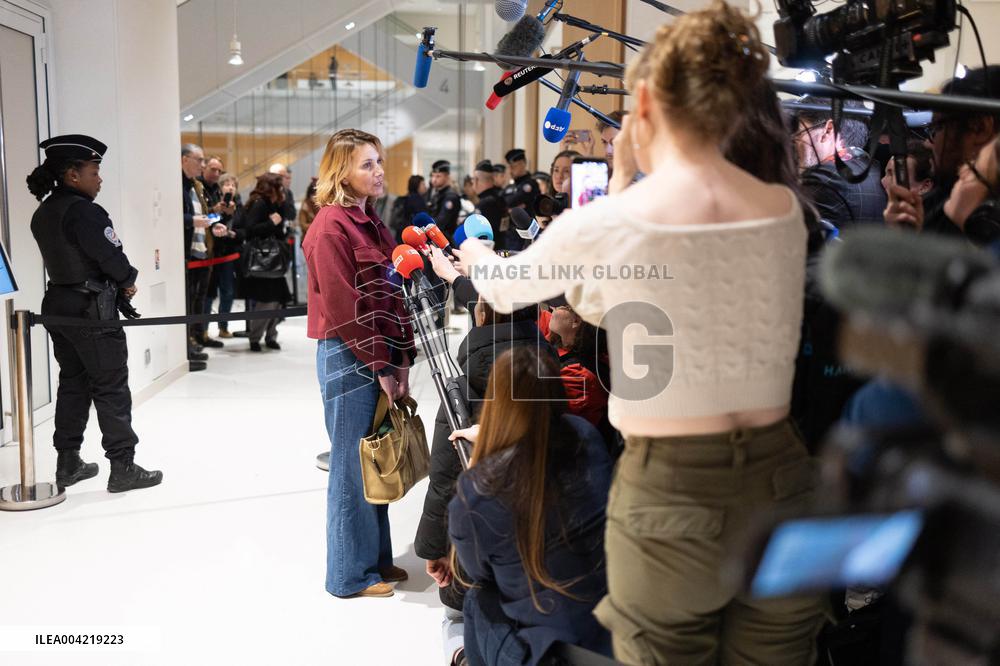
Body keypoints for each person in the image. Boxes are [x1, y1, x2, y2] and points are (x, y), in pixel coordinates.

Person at [458, 2, 824, 662]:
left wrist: (481, 255)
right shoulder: (783, 208)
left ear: (648, 100)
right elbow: (636, 302)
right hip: (784, 482)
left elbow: (504, 286)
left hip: (673, 496)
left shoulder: (613, 222)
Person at [448, 346, 614, 665]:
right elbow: (538, 447)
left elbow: (476, 571)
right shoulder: (587, 438)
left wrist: (483, 464)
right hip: (606, 629)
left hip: (546, 649)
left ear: (496, 404)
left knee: (478, 599)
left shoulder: (479, 491)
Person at [303, 128, 414, 599]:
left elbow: (392, 292)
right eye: (366, 164)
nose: (378, 172)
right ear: (340, 171)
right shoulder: (330, 227)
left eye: (379, 162)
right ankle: (348, 575)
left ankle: (375, 561)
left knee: (376, 462)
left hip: (376, 355)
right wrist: (383, 367)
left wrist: (402, 358)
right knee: (352, 466)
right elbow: (348, 310)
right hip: (351, 357)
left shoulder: (371, 223)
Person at [416, 298, 554, 666]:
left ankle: (462, 651)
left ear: (480, 315)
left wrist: (433, 548)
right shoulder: (550, 370)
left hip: (477, 550)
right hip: (546, 552)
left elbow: (444, 479)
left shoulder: (460, 387)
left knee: (460, 612)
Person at [27, 134, 162, 493]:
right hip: (91, 309)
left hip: (58, 304)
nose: (99, 178)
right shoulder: (84, 211)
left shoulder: (44, 211)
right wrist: (128, 279)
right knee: (111, 386)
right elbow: (110, 257)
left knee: (73, 382)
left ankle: (68, 462)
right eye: (94, 170)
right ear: (73, 175)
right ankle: (123, 467)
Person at [885, 65, 1000, 237]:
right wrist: (906, 239)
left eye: (937, 128)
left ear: (979, 127)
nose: (930, 144)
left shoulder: (962, 212)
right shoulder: (938, 203)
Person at [794, 98, 887, 228]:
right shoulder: (874, 171)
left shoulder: (821, 179)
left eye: (798, 131)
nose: (792, 140)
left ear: (828, 130)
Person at [236, 173, 291, 351]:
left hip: (273, 262)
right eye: (279, 187)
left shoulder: (275, 204)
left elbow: (281, 227)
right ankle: (256, 337)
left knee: (278, 300)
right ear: (271, 187)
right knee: (266, 302)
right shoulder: (259, 203)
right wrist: (271, 223)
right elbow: (250, 230)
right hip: (263, 261)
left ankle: (270, 336)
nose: (282, 190)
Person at [181, 143, 217, 371]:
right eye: (199, 160)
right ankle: (186, 348)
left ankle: (193, 343)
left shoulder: (196, 186)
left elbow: (203, 213)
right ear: (185, 159)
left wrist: (216, 224)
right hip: (186, 253)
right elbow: (173, 214)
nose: (202, 165)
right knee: (187, 302)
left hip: (201, 251)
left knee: (197, 300)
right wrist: (191, 221)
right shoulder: (178, 185)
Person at [205, 172, 242, 339]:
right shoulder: (214, 203)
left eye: (233, 185)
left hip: (229, 255)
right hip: (212, 254)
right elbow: (208, 220)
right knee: (209, 293)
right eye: (227, 184)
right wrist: (219, 212)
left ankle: (223, 327)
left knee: (227, 292)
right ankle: (203, 330)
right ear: (221, 188)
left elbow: (244, 227)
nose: (230, 187)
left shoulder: (239, 205)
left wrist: (232, 231)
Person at [471, 160, 507, 244]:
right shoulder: (500, 198)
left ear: (476, 181)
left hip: (489, 250)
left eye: (473, 180)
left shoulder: (485, 203)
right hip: (502, 247)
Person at [426, 160, 462, 240]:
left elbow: (441, 222)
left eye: (438, 176)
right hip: (435, 237)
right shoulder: (436, 194)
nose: (434, 179)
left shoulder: (450, 197)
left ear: (447, 176)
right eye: (433, 176)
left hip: (445, 239)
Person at [502, 148, 539, 217]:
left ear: (523, 164)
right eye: (509, 167)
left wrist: (508, 206)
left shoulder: (530, 184)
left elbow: (512, 201)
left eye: (513, 166)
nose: (510, 170)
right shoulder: (510, 186)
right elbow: (500, 202)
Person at [298, 177, 319, 243]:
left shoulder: (323, 204)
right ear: (309, 195)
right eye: (313, 195)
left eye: (317, 195)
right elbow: (303, 224)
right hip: (309, 238)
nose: (315, 197)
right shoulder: (305, 205)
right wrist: (317, 226)